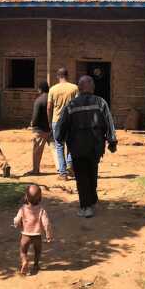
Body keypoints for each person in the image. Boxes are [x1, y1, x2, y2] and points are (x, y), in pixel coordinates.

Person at [55, 75, 117, 218]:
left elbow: (61, 126)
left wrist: (59, 137)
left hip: (77, 147)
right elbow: (109, 122)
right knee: (92, 171)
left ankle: (86, 206)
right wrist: (112, 142)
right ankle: (93, 199)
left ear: (79, 88)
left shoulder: (71, 105)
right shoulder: (101, 103)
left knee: (82, 176)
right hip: (96, 146)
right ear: (92, 88)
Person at [13, 184, 53, 275]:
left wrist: (16, 224)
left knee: (23, 251)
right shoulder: (41, 210)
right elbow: (46, 223)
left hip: (25, 235)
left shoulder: (22, 209)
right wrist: (48, 234)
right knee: (37, 251)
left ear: (26, 197)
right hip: (37, 236)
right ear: (40, 198)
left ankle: (24, 261)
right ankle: (36, 265)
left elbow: (17, 220)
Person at [47, 67, 78, 180]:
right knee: (71, 144)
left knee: (59, 146)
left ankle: (63, 173)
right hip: (71, 121)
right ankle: (70, 166)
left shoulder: (53, 89)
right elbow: (78, 104)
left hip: (57, 121)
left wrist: (50, 122)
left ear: (58, 76)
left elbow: (49, 107)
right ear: (67, 75)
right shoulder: (74, 88)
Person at [24, 81, 51, 176]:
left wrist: (32, 124)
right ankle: (63, 170)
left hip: (40, 129)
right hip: (52, 128)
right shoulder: (51, 99)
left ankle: (35, 170)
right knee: (57, 150)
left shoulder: (39, 100)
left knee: (37, 151)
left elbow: (35, 117)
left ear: (40, 89)